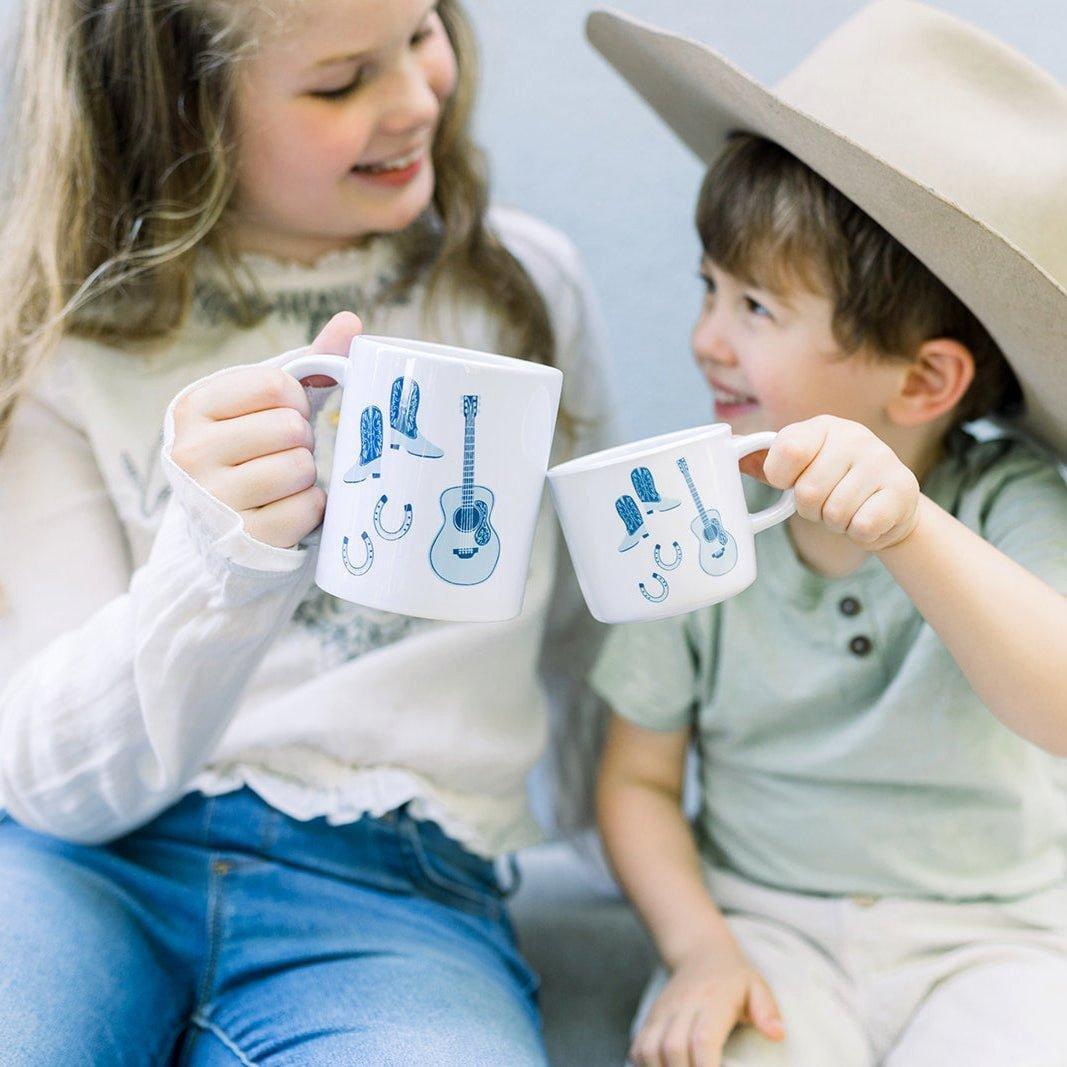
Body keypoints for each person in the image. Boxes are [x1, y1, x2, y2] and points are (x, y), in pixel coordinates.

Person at [0, 0, 614, 1062]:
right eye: (340, 81)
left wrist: (666, 881)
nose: (417, 97)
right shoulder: (66, 331)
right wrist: (215, 562)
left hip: (399, 891)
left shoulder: (522, 288)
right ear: (180, 111)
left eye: (422, 32)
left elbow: (588, 639)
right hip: (88, 869)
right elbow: (51, 784)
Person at [586, 3, 1067, 1065]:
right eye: (709, 290)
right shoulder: (684, 513)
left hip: (999, 940)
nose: (704, 338)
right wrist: (700, 948)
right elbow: (635, 780)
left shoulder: (1008, 502)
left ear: (924, 381)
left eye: (755, 307)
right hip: (766, 929)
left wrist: (907, 524)